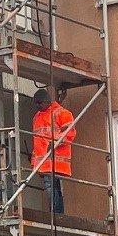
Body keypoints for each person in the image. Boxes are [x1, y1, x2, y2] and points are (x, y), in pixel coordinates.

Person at [31, 89, 75, 217]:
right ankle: (56, 214)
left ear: (47, 101)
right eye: (36, 104)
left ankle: (55, 214)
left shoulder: (62, 113)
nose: (38, 106)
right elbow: (37, 141)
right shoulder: (37, 117)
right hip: (44, 162)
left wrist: (54, 142)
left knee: (52, 187)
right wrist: (34, 163)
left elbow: (70, 133)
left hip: (57, 159)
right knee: (53, 187)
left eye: (39, 103)